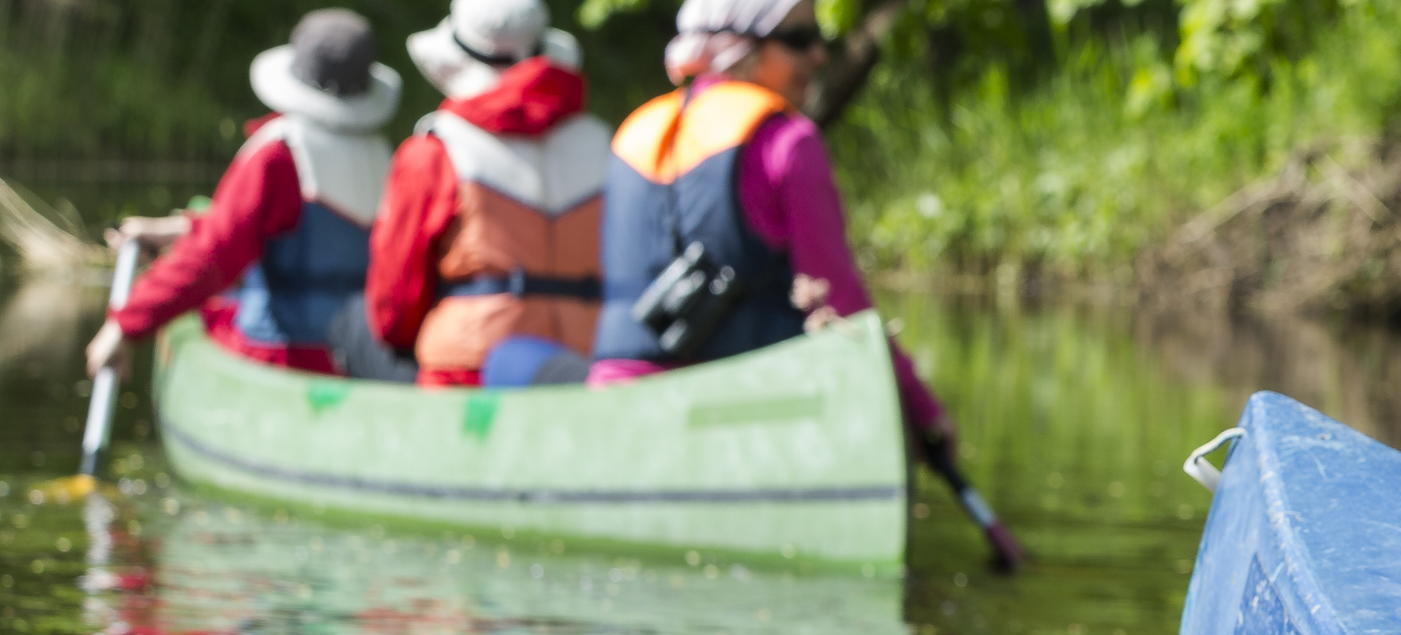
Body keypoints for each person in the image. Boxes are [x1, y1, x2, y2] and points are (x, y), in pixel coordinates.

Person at [588, 0, 949, 438]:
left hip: (615, 410)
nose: (819, 55)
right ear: (742, 49)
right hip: (746, 408)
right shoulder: (789, 142)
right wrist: (923, 414)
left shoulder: (632, 134)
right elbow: (842, 306)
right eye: (799, 40)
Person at [85, 10, 398, 378]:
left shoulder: (279, 153)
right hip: (361, 358)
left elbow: (214, 256)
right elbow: (313, 232)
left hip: (281, 356)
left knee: (215, 308)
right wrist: (180, 228)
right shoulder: (385, 156)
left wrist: (125, 324)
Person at [366, 0, 610, 388]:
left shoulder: (434, 151)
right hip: (580, 363)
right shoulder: (603, 143)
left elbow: (393, 306)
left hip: (467, 371)